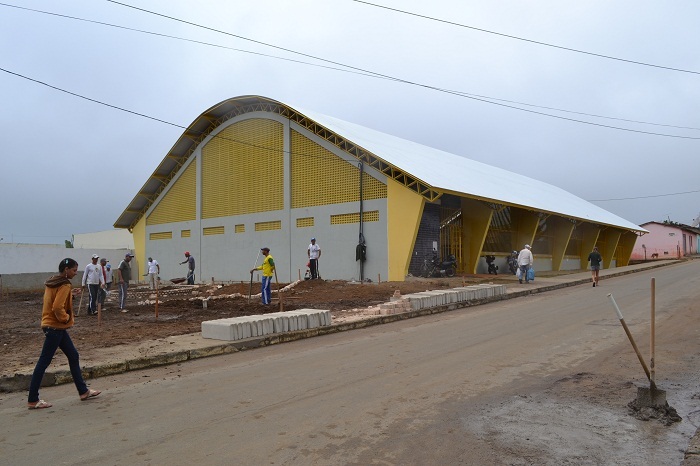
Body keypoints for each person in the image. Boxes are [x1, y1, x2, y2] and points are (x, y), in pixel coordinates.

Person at [27, 258, 101, 409]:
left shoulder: (53, 282)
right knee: (43, 362)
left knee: (73, 356)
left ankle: (83, 391)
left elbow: (54, 300)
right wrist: (66, 318)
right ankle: (33, 399)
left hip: (52, 326)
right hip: (56, 327)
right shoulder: (65, 284)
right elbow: (57, 307)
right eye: (74, 270)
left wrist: (70, 295)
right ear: (66, 269)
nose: (75, 273)